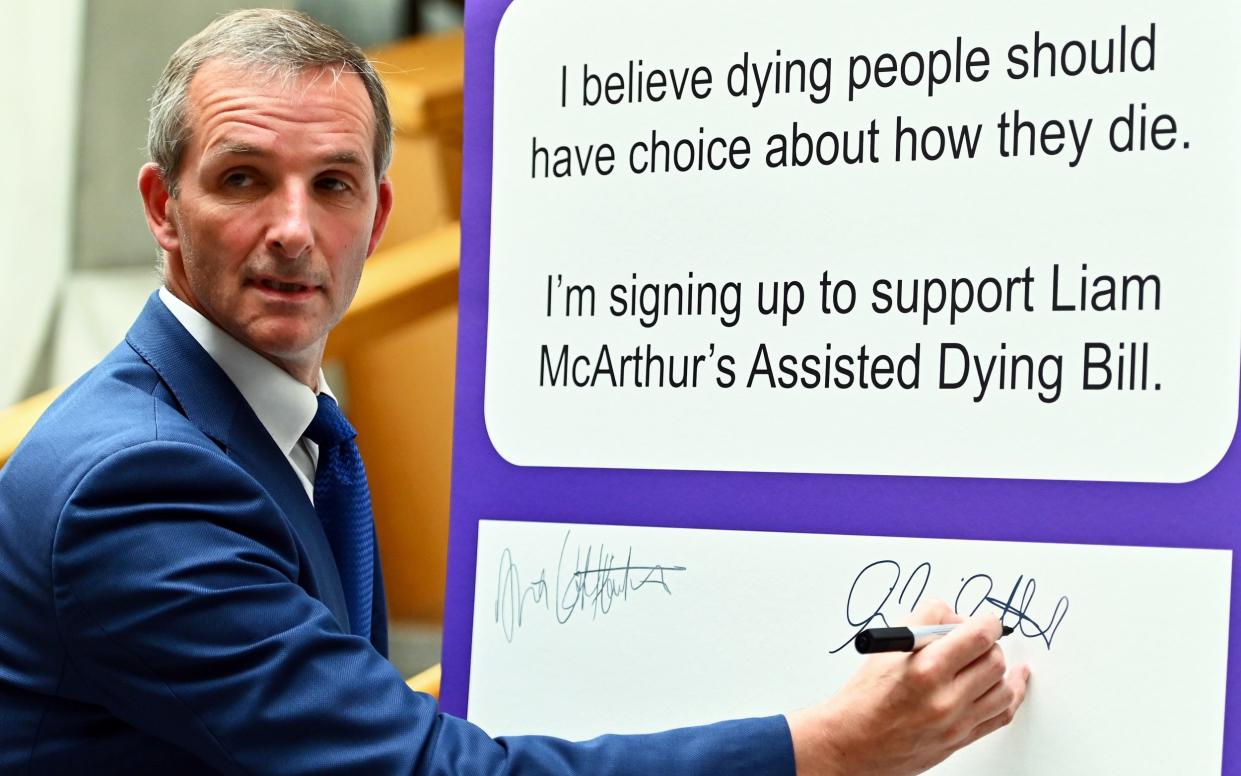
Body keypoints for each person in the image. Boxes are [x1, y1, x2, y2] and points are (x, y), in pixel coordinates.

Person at [0, 9, 1028, 774]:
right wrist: (827, 745)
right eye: (241, 179)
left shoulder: (260, 421)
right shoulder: (134, 480)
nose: (293, 228)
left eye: (334, 183)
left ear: (378, 210)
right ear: (161, 208)